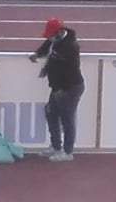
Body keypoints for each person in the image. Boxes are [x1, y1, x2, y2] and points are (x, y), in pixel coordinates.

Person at [29, 18, 84, 162]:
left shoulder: (70, 47)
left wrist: (61, 88)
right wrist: (37, 54)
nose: (49, 38)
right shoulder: (55, 40)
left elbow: (67, 71)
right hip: (58, 87)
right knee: (51, 113)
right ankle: (55, 146)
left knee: (67, 118)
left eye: (51, 35)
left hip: (70, 87)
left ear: (59, 32)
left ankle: (67, 151)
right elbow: (47, 48)